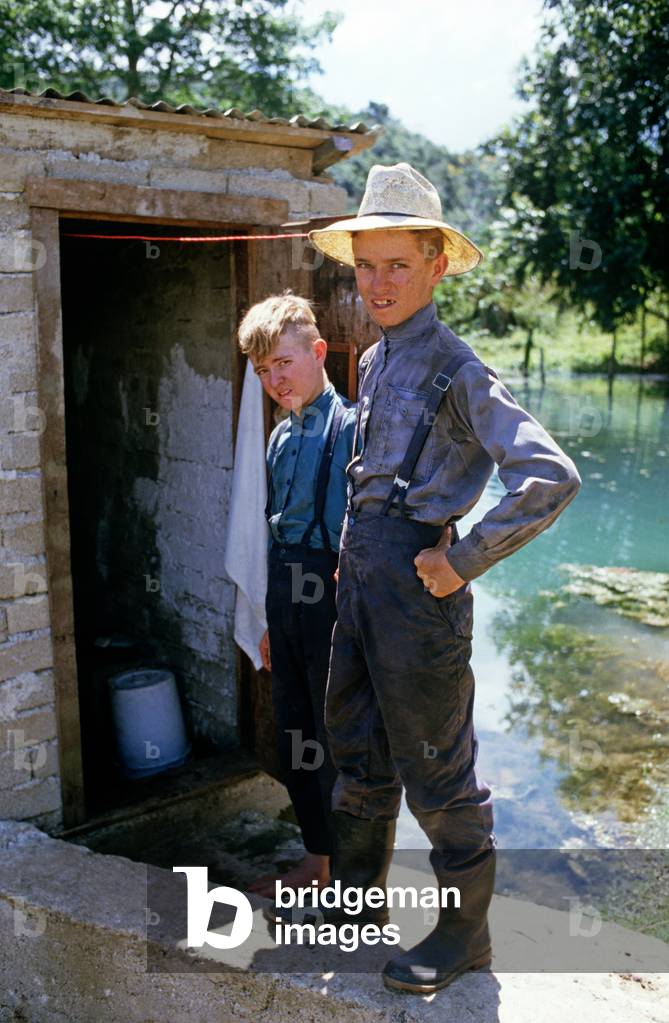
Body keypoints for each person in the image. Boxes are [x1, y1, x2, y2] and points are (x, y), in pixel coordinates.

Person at [267, 163, 581, 993]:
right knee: (357, 754)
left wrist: (465, 556)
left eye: (396, 265)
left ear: (436, 265)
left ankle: (462, 936)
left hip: (420, 591)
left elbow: (549, 474)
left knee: (438, 770)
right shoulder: (371, 360)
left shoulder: (458, 367)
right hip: (359, 588)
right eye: (365, 266)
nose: (376, 283)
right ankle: (356, 909)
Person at [237, 294, 356, 898]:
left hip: (332, 602)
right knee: (294, 736)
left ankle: (350, 872)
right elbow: (273, 534)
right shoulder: (280, 438)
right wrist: (268, 617)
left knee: (337, 738)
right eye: (262, 371)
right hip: (286, 598)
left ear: (318, 352)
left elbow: (365, 536)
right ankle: (315, 860)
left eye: (283, 362)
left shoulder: (354, 429)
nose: (274, 379)